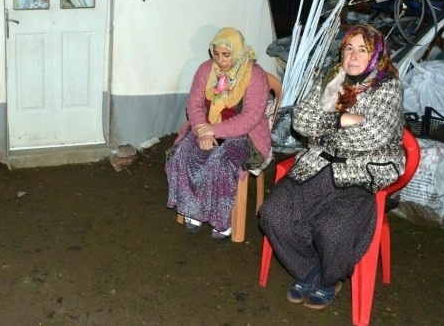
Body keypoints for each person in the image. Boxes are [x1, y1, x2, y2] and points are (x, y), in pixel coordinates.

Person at [258, 24, 404, 310]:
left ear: (375, 55)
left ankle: (329, 280)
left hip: (363, 173)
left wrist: (323, 130)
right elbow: (301, 121)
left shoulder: (388, 86)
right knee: (273, 214)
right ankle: (310, 269)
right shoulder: (330, 78)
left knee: (333, 228)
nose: (353, 56)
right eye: (349, 48)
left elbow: (373, 134)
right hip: (318, 165)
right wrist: (341, 120)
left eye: (362, 49)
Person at [165, 27, 271, 240]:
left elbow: (250, 117)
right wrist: (203, 132)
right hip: (205, 128)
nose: (220, 60)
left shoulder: (255, 75)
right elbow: (194, 105)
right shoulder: (206, 70)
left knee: (219, 161)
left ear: (238, 51)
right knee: (183, 154)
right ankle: (193, 208)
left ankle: (221, 220)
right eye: (216, 54)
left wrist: (215, 130)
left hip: (245, 135)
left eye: (226, 54)